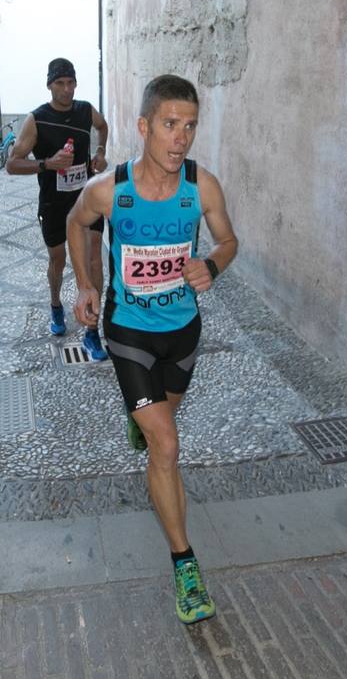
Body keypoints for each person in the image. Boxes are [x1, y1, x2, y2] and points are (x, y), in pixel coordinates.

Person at [66, 74, 238, 625]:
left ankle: (142, 417)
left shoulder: (201, 187)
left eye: (189, 126)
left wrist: (211, 264)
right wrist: (86, 284)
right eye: (169, 124)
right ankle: (185, 564)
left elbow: (229, 240)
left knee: (159, 429)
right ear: (144, 127)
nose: (180, 138)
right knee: (166, 446)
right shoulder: (110, 190)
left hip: (183, 335)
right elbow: (76, 222)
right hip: (129, 332)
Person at [7, 58, 110, 359]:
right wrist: (47, 164)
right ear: (49, 85)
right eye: (60, 84)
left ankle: (92, 330)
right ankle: (55, 305)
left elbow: (102, 126)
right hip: (54, 201)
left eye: (71, 83)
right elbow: (13, 163)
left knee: (94, 257)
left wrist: (100, 153)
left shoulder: (85, 110)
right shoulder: (36, 119)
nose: (67, 90)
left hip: (86, 196)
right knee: (58, 259)